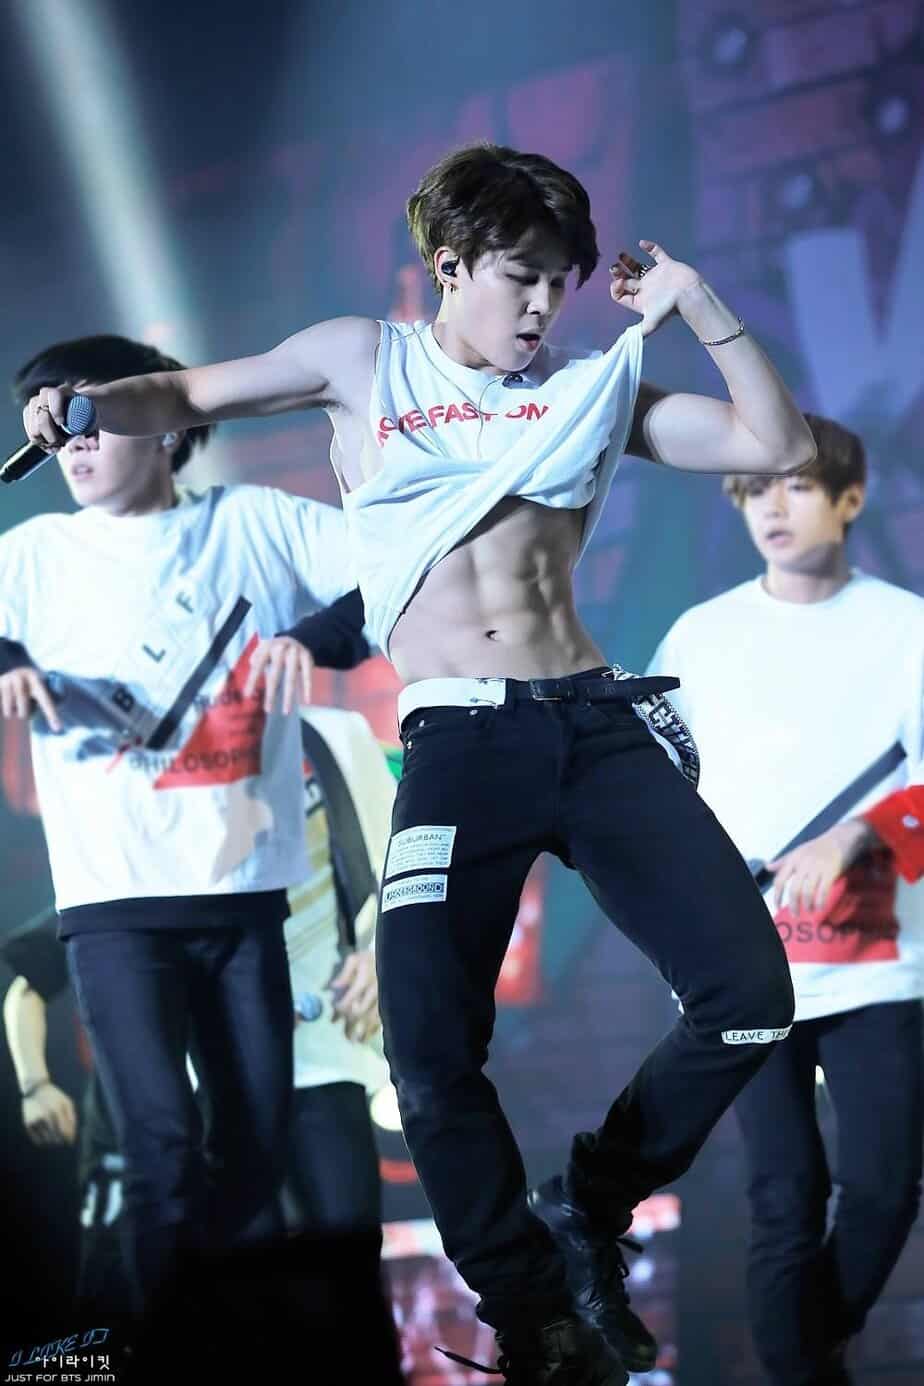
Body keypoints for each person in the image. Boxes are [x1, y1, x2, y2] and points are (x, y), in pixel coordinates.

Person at [22, 145, 816, 1384]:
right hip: (459, 737)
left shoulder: (592, 387)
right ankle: (531, 1307)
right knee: (431, 1051)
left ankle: (587, 1204)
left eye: (560, 281)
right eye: (518, 277)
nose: (543, 305)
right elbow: (182, 395)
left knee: (753, 995)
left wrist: (699, 306)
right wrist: (84, 407)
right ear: (448, 267)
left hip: (595, 724)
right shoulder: (362, 360)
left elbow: (776, 439)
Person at [2, 333, 369, 1339]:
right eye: (52, 422)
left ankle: (179, 1329)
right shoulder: (32, 556)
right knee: (160, 1143)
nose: (73, 440)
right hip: (114, 909)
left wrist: (312, 638)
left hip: (245, 901)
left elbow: (397, 565)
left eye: (89, 413)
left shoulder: (252, 524)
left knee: (253, 1148)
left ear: (165, 423)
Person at [646, 416, 924, 1386]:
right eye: (755, 488)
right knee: (781, 1192)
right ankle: (806, 1371)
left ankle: (808, 1354)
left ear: (849, 499)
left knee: (884, 1184)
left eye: (798, 486)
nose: (773, 505)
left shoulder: (906, 627)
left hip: (876, 956)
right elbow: (654, 788)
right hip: (742, 962)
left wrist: (858, 834)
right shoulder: (699, 636)